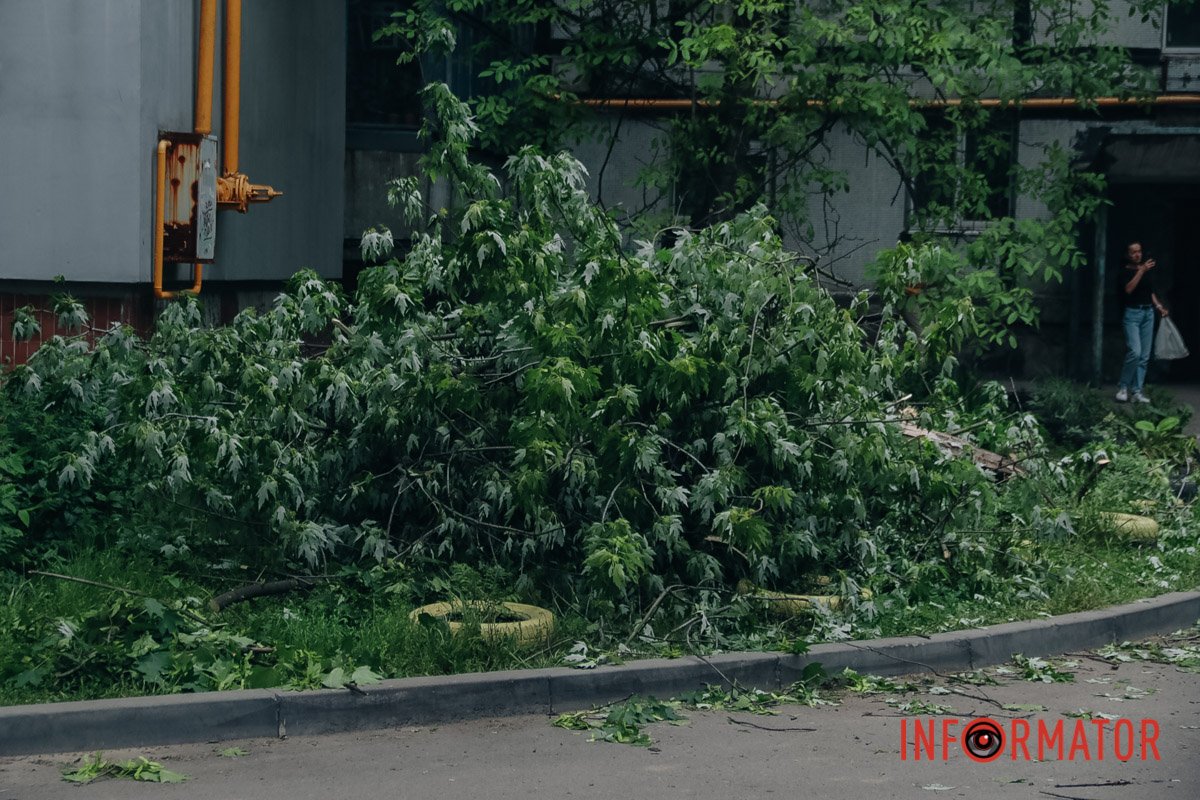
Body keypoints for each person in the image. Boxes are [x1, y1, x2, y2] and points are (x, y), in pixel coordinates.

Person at [1115, 241, 1169, 403]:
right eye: (1133, 252)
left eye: (1139, 251)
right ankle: (1123, 387)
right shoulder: (1124, 272)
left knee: (1144, 356)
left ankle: (1137, 391)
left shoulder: (1147, 270)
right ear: (1127, 255)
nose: (1137, 254)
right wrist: (1141, 271)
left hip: (1148, 313)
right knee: (1135, 352)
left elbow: (1149, 291)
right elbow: (1129, 289)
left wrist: (1159, 306)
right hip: (1132, 314)